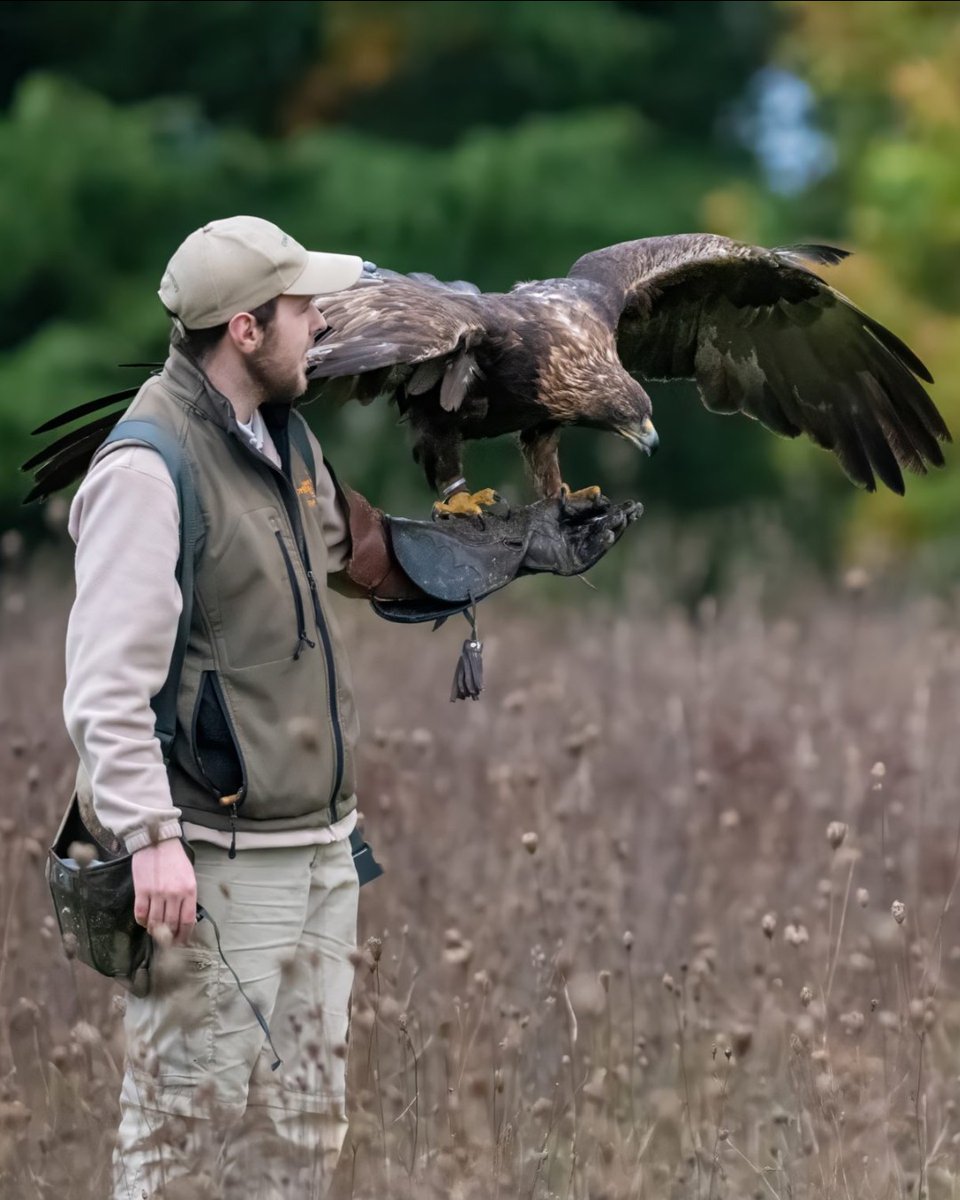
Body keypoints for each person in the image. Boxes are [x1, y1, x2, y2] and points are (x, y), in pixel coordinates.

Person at [62, 215, 634, 1199]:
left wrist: (508, 551)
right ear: (244, 329)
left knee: (301, 1140)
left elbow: (361, 557)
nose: (326, 322)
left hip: (319, 851)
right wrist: (151, 838)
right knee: (183, 1136)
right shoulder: (148, 469)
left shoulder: (280, 437)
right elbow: (104, 686)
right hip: (213, 861)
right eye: (301, 309)